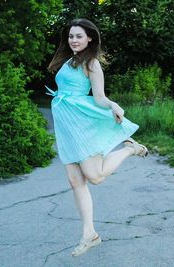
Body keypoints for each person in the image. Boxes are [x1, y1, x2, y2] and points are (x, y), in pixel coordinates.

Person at [46, 18, 149, 257]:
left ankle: (129, 149)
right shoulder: (69, 60)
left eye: (79, 36)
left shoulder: (91, 63)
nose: (74, 40)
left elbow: (99, 96)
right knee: (75, 182)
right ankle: (89, 234)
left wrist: (113, 105)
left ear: (90, 38)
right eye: (71, 36)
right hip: (66, 126)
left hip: (81, 124)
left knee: (95, 176)